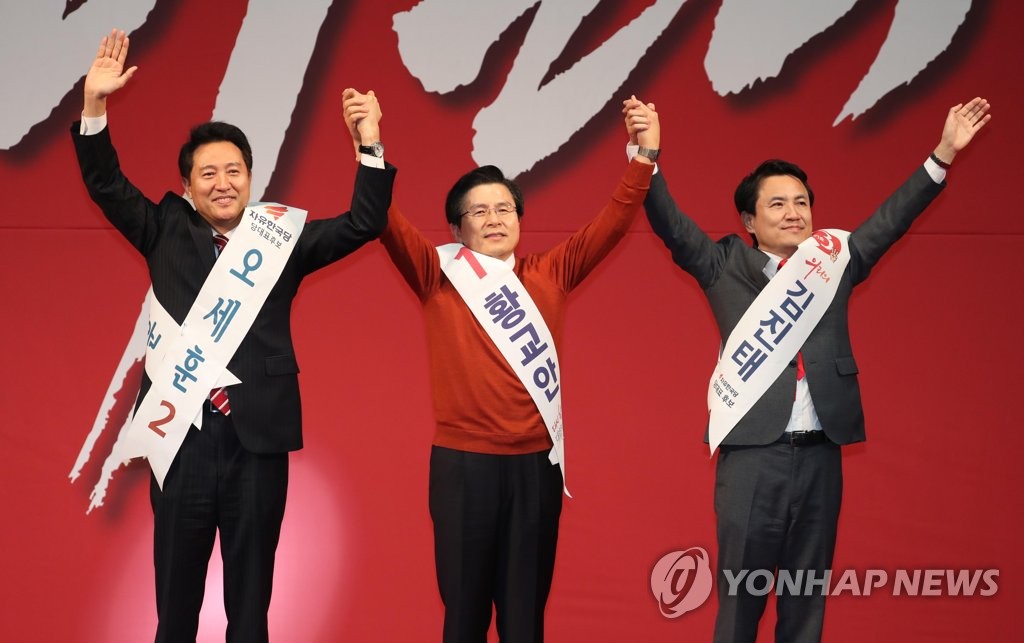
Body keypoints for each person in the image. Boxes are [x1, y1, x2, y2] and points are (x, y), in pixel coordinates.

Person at [71, 30, 396, 642]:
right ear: (188, 187)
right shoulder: (164, 228)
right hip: (181, 438)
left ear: (250, 177)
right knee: (176, 605)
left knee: (251, 606)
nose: (223, 183)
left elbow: (362, 222)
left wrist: (369, 143)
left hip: (259, 440)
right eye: (208, 174)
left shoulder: (280, 240)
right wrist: (94, 105)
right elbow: (106, 184)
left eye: (234, 171)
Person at [628, 95, 991, 642]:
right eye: (777, 204)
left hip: (821, 455)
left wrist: (941, 155)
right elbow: (671, 225)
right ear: (749, 221)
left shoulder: (833, 264)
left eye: (801, 202)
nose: (793, 212)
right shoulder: (724, 265)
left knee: (806, 604)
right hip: (753, 457)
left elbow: (889, 221)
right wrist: (647, 155)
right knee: (740, 606)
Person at [343, 89, 659, 642]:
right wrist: (370, 146)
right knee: (464, 617)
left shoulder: (551, 272)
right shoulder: (437, 274)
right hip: (464, 468)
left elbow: (612, 222)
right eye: (479, 211)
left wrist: (644, 156)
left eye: (504, 209)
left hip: (537, 468)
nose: (494, 219)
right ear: (456, 230)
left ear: (519, 219)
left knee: (524, 620)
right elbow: (384, 221)